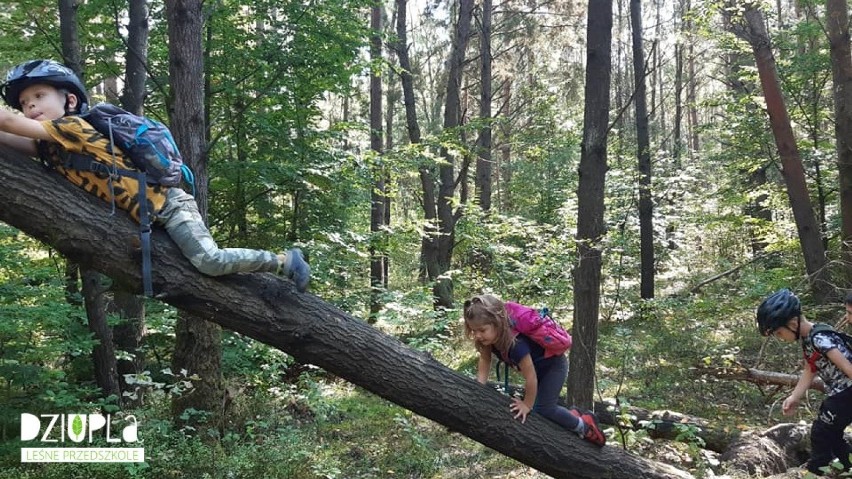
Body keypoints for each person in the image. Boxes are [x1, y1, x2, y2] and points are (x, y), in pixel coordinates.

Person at [0, 59, 310, 292]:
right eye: (26, 104)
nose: (31, 107)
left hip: (169, 204)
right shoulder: (53, 148)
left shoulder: (74, 127)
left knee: (209, 260)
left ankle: (283, 261)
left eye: (39, 96)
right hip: (148, 216)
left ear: (68, 101)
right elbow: (14, 140)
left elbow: (11, 126)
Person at [462, 294, 606, 446]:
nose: (478, 335)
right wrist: (479, 387)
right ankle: (573, 415)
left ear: (497, 323)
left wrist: (526, 405)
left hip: (553, 367)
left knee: (544, 408)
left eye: (482, 330)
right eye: (474, 331)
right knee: (542, 409)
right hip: (539, 371)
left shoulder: (516, 345)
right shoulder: (487, 341)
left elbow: (531, 378)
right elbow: (485, 360)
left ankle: (585, 426)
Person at [757, 289, 852, 475]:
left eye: (778, 332)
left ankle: (815, 472)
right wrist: (794, 397)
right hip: (841, 394)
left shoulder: (819, 338)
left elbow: (848, 367)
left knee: (820, 433)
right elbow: (810, 368)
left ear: (792, 323)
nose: (780, 337)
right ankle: (845, 466)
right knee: (831, 434)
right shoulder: (809, 339)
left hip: (847, 392)